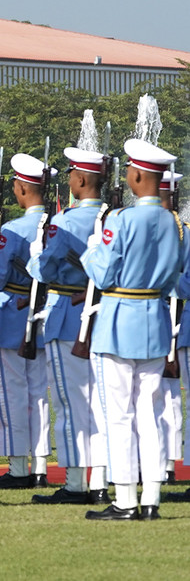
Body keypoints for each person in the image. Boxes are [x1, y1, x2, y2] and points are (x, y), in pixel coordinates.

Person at [80, 139, 182, 521]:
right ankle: (152, 496)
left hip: (121, 317)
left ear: (138, 175)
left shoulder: (122, 220)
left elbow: (104, 274)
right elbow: (174, 276)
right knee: (150, 413)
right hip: (154, 318)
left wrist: (92, 250)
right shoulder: (171, 223)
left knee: (118, 415)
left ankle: (124, 498)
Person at [30, 147, 113, 506]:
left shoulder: (64, 223)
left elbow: (44, 270)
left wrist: (36, 255)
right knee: (101, 402)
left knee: (69, 401)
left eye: (71, 175)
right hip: (104, 315)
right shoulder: (115, 219)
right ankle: (102, 477)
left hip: (67, 316)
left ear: (80, 179)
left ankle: (78, 481)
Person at [0, 152, 54, 490]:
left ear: (22, 188)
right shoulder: (58, 225)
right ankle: (40, 465)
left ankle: (18, 468)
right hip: (44, 317)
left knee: (10, 393)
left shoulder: (13, 229)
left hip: (11, 317)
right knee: (39, 394)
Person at [157, 170, 184, 485]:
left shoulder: (181, 232)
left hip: (171, 318)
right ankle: (162, 464)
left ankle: (165, 465)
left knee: (166, 397)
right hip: (159, 316)